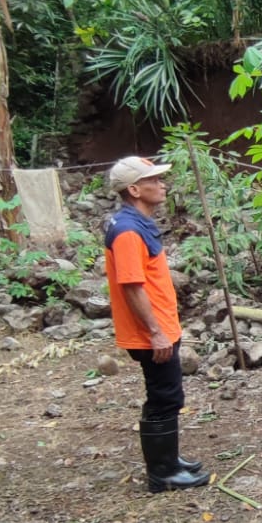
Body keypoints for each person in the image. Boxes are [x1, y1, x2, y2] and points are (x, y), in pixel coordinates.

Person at [103, 156, 210, 493]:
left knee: (167, 395)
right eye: (153, 180)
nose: (162, 184)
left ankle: (170, 460)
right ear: (134, 190)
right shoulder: (127, 231)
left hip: (160, 327)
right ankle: (163, 473)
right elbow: (132, 286)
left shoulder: (136, 224)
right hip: (151, 333)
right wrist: (155, 332)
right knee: (164, 396)